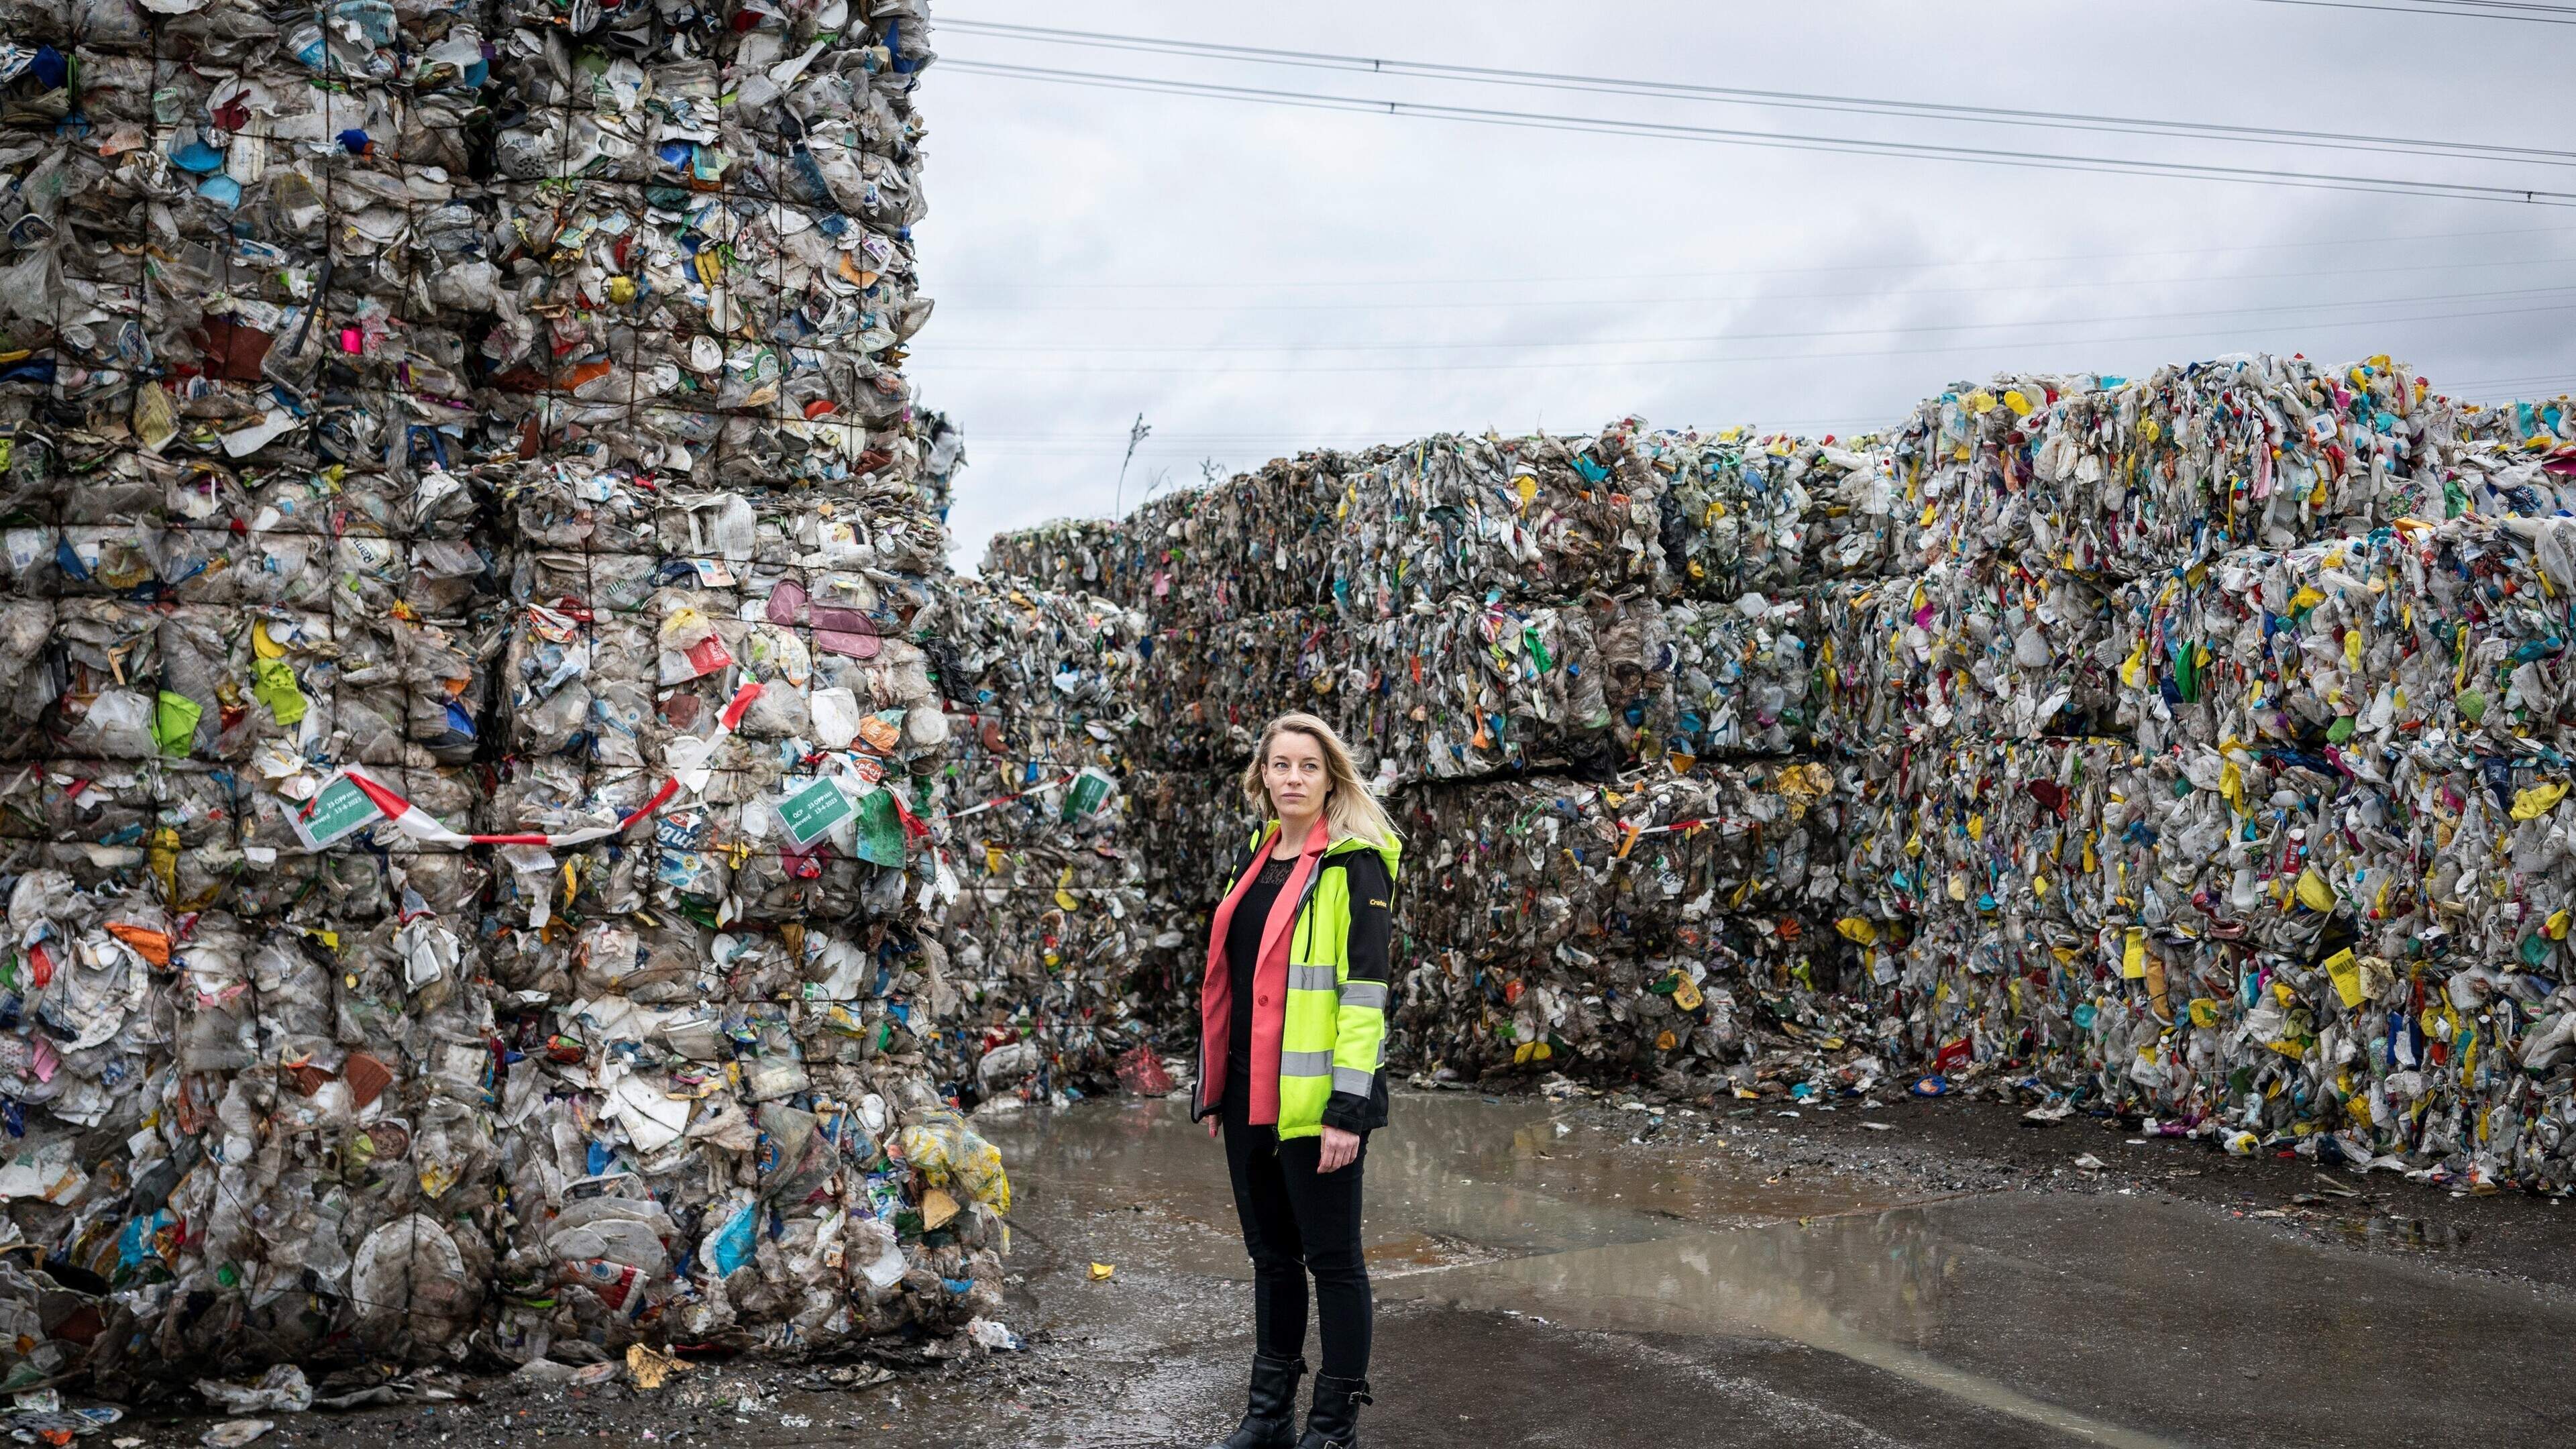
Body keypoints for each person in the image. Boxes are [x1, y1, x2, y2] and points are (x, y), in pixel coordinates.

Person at [1193, 712, 1399, 1449]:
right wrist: (1216, 1084)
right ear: (1262, 777)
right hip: (1250, 1095)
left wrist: (1348, 1108)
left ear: (1330, 778)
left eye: (1307, 766)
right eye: (1279, 765)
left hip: (1318, 1105)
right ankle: (1268, 1415)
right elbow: (1234, 981)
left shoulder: (1354, 866)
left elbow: (1366, 995)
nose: (1292, 779)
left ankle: (1332, 1427)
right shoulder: (1255, 856)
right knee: (1272, 1260)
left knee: (1334, 1263)